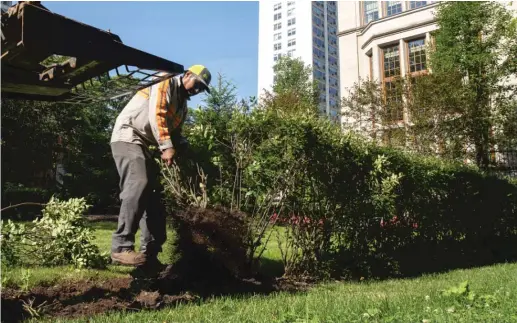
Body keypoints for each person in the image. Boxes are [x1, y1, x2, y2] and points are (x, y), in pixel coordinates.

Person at [109, 65, 211, 267]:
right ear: (187, 75)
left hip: (146, 145)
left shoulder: (182, 106)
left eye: (201, 89)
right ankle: (121, 247)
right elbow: (157, 114)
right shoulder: (165, 79)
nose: (196, 90)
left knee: (156, 198)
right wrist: (166, 146)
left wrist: (189, 154)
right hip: (128, 135)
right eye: (197, 84)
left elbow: (177, 134)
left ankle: (150, 256)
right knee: (139, 182)